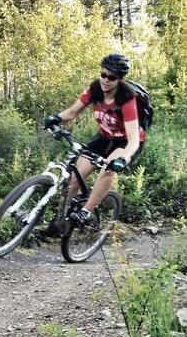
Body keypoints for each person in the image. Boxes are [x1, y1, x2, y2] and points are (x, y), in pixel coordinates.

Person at [43, 53, 145, 225]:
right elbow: (73, 111)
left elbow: (134, 139)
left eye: (111, 77)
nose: (105, 80)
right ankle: (62, 220)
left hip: (126, 142)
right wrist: (57, 118)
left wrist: (122, 159)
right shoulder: (95, 89)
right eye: (103, 74)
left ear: (120, 80)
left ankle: (85, 211)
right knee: (75, 176)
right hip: (104, 137)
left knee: (108, 170)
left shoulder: (127, 100)